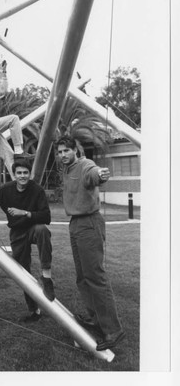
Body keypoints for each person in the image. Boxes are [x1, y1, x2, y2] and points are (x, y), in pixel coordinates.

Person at [56, 136, 125, 351]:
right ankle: (95, 317)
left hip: (89, 223)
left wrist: (101, 174)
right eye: (60, 152)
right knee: (82, 277)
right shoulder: (66, 169)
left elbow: (94, 174)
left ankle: (113, 330)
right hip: (75, 224)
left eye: (67, 150)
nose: (63, 155)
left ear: (76, 150)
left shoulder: (85, 164)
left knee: (96, 277)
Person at [0, 159, 55, 322]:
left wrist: (25, 213)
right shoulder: (5, 190)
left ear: (30, 174)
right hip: (17, 233)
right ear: (14, 175)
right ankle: (34, 310)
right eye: (19, 173)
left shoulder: (37, 190)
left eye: (25, 173)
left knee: (42, 230)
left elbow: (46, 216)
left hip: (32, 228)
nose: (22, 176)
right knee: (22, 272)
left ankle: (46, 276)